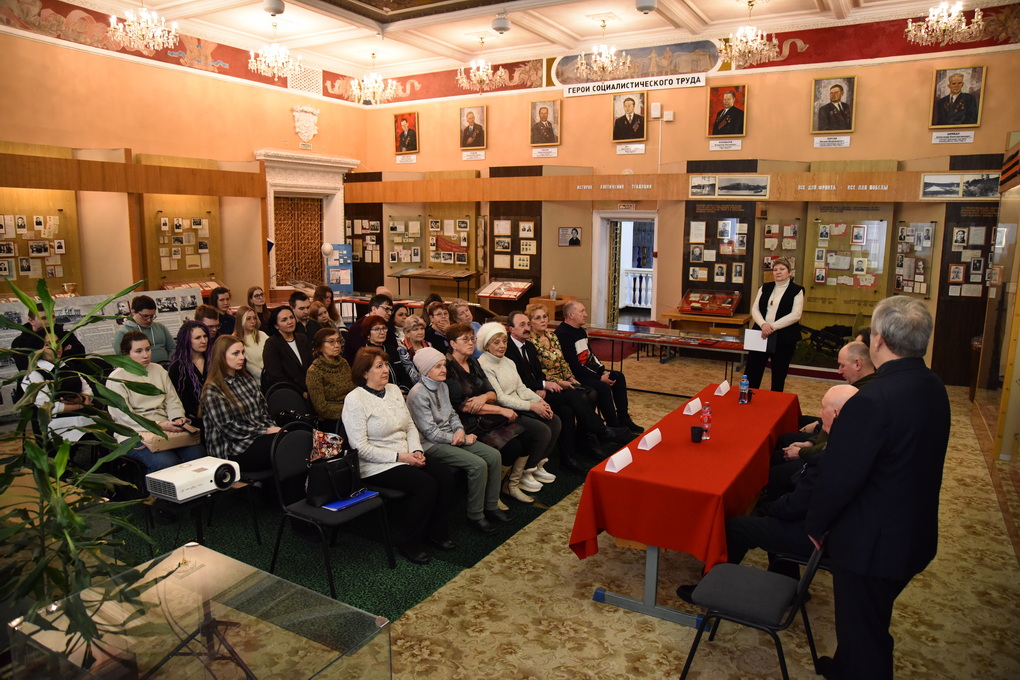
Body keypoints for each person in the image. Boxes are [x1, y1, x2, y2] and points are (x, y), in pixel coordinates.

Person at [806, 296, 951, 680]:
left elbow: (841, 476)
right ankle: (844, 666)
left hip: (872, 545)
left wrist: (816, 524)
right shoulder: (934, 385)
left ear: (879, 340)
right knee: (868, 619)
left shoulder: (871, 401)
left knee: (866, 637)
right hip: (913, 533)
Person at [676, 385, 859, 603]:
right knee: (771, 507)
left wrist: (767, 508)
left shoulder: (829, 456)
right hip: (838, 531)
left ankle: (709, 589)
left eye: (823, 408)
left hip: (815, 534)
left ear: (837, 413)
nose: (819, 413)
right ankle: (787, 581)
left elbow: (795, 506)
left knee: (736, 527)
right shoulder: (856, 443)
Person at [342, 346, 455, 565]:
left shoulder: (393, 390)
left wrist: (416, 450)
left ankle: (436, 532)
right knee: (425, 485)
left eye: (386, 365)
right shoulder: (354, 400)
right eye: (378, 366)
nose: (386, 370)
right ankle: (408, 542)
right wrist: (400, 457)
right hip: (375, 464)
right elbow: (360, 447)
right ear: (364, 373)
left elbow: (410, 426)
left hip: (406, 453)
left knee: (445, 476)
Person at [406, 347, 511, 534]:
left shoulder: (442, 386)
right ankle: (475, 516)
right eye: (437, 366)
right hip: (431, 444)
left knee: (494, 456)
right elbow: (430, 432)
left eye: (444, 365)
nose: (444, 370)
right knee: (478, 465)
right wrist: (460, 439)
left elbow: (453, 415)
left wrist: (460, 430)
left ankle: (492, 506)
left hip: (452, 436)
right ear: (426, 371)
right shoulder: (417, 394)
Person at [506, 310, 628, 467]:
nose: (527, 328)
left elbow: (539, 371)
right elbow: (518, 381)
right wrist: (544, 384)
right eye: (522, 325)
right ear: (511, 329)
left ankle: (568, 455)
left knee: (568, 409)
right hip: (524, 395)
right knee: (574, 395)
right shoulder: (508, 350)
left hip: (540, 389)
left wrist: (545, 383)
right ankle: (601, 431)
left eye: (527, 324)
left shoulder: (528, 346)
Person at [443, 323, 534, 504]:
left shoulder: (473, 362)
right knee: (512, 447)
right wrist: (500, 409)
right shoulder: (447, 367)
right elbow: (464, 406)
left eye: (472, 338)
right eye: (465, 339)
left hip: (485, 416)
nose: (471, 342)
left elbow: (492, 394)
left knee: (528, 437)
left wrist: (483, 397)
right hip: (464, 423)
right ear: (453, 344)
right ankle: (493, 492)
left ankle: (510, 485)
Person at [477, 321, 564, 489]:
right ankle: (524, 473)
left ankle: (537, 465)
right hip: (505, 412)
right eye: (496, 342)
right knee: (542, 430)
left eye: (504, 341)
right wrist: (532, 406)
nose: (502, 346)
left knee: (555, 420)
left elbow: (521, 388)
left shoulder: (508, 361)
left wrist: (540, 402)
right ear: (486, 345)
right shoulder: (483, 364)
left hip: (521, 405)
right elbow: (501, 398)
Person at [106, 331, 206, 473]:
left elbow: (172, 400)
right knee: (166, 463)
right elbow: (125, 417)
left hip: (167, 426)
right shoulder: (116, 378)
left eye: (148, 349)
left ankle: (196, 487)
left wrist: (177, 418)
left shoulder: (158, 370)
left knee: (198, 454)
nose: (145, 355)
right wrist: (159, 425)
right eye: (138, 351)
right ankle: (152, 488)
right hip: (133, 432)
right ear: (126, 354)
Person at [555, 300, 642, 433]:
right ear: (571, 315)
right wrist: (599, 378)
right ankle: (614, 427)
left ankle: (623, 418)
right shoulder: (563, 334)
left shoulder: (581, 331)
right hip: (575, 376)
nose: (585, 314)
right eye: (582, 311)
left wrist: (602, 371)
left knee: (618, 376)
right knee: (602, 386)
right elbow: (574, 366)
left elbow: (590, 356)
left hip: (587, 371)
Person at [200, 335, 280, 470]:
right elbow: (230, 429)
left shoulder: (246, 380)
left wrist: (275, 430)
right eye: (235, 353)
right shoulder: (213, 390)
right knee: (285, 446)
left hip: (257, 437)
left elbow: (263, 412)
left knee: (291, 438)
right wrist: (266, 431)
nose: (242, 357)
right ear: (221, 356)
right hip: (233, 449)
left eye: (242, 352)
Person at [20, 333, 95, 443]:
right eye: (48, 344)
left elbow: (89, 391)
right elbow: (48, 408)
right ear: (38, 350)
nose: (56, 347)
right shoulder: (35, 373)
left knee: (111, 423)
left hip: (81, 413)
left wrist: (82, 399)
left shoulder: (68, 366)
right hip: (57, 423)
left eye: (57, 342)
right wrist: (80, 405)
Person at [744, 257, 804, 393]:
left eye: (782, 269)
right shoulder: (765, 287)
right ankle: (748, 396)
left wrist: (772, 327)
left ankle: (776, 400)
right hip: (761, 334)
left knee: (779, 373)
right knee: (753, 369)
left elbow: (796, 314)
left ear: (789, 272)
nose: (778, 272)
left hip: (784, 337)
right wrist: (763, 324)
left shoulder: (797, 290)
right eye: (775, 269)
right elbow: (755, 308)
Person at [12, 303, 86, 372]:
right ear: (31, 320)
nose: (50, 322)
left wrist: (46, 357)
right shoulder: (20, 343)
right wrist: (64, 354)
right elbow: (27, 367)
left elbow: (80, 356)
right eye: (44, 318)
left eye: (52, 317)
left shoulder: (65, 336)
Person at [306, 328, 354, 429]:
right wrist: (349, 410)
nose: (337, 345)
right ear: (320, 347)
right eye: (331, 342)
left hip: (352, 413)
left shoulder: (343, 363)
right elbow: (322, 408)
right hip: (331, 421)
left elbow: (353, 389)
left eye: (338, 341)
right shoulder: (314, 371)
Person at [167, 320, 211, 429]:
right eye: (198, 338)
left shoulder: (212, 359)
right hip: (194, 419)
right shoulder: (178, 367)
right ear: (186, 340)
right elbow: (180, 401)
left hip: (217, 411)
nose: (203, 341)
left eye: (205, 336)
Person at [261, 305, 313, 396]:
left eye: (291, 317)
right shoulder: (272, 344)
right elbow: (275, 376)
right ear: (276, 326)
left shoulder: (302, 338)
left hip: (309, 387)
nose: (290, 322)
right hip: (288, 392)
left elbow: (311, 365)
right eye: (284, 320)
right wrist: (301, 393)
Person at [112, 295, 175, 365]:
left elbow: (172, 348)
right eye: (145, 316)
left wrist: (171, 363)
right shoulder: (123, 332)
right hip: (141, 369)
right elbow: (122, 359)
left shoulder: (160, 327)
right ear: (133, 311)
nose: (149, 320)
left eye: (152, 316)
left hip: (166, 366)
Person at [361, 314, 412, 391]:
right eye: (377, 329)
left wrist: (403, 390)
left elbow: (403, 375)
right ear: (368, 333)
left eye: (384, 328)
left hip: (399, 392)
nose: (382, 332)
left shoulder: (392, 350)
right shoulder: (365, 354)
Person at [344, 293, 394, 363]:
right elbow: (360, 358)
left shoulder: (388, 325)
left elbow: (393, 347)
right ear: (374, 309)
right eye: (386, 309)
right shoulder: (358, 327)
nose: (389, 313)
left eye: (391, 310)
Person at [234, 305, 269, 381]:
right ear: (241, 320)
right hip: (254, 380)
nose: (253, 321)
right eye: (248, 319)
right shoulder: (235, 340)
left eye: (254, 318)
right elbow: (248, 366)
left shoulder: (262, 335)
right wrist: (265, 376)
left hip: (271, 374)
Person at [396, 314, 429, 385]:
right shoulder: (402, 349)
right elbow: (411, 374)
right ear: (407, 333)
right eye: (415, 329)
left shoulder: (428, 345)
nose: (420, 332)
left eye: (422, 329)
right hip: (413, 385)